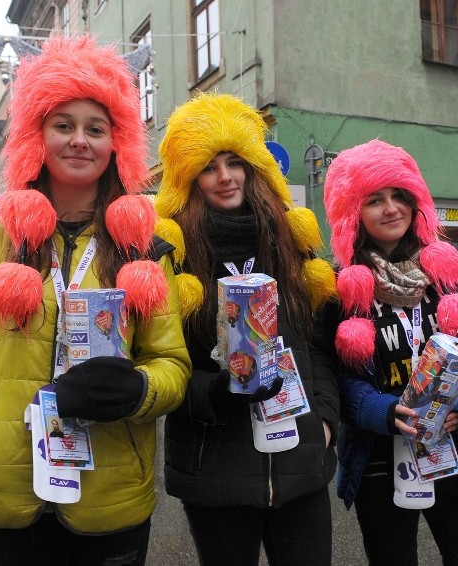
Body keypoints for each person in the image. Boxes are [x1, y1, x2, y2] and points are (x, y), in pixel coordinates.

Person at [0, 36, 190, 566]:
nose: (80, 141)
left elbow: (172, 364)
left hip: (112, 494)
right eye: (63, 125)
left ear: (116, 142)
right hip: (7, 492)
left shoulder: (142, 248)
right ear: (38, 135)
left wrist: (138, 390)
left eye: (96, 129)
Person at [154, 92, 339, 566]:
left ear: (253, 167)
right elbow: (161, 360)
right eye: (209, 165)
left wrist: (325, 419)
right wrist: (213, 393)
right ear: (188, 177)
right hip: (214, 466)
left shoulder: (289, 244)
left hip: (300, 460)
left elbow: (318, 345)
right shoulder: (170, 256)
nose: (225, 177)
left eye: (234, 162)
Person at [324, 139, 458, 565]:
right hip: (380, 457)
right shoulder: (338, 289)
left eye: (399, 196)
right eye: (374, 200)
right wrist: (378, 410)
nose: (391, 208)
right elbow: (334, 372)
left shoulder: (456, 270)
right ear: (352, 214)